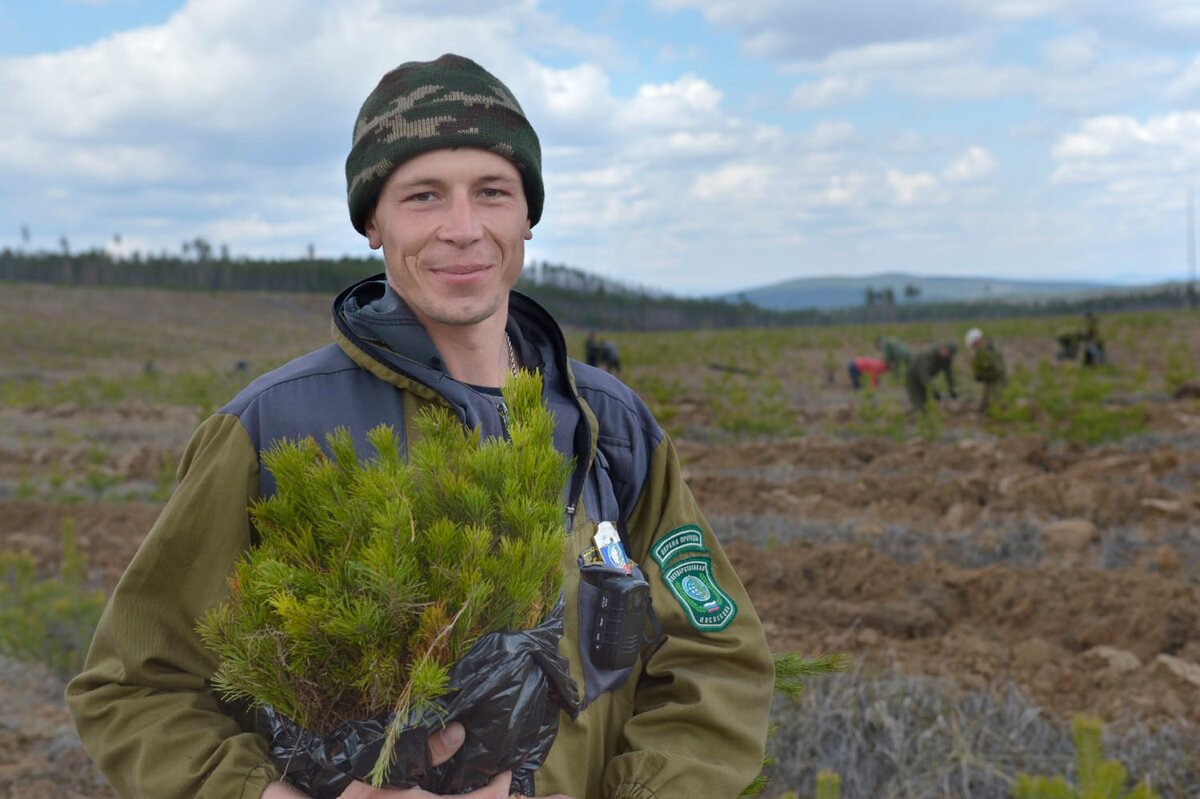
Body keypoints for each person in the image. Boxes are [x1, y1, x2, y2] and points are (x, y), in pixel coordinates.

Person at [65, 54, 773, 799]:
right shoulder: (274, 429)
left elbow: (714, 657)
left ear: (527, 213)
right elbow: (134, 685)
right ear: (373, 220)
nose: (462, 230)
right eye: (424, 195)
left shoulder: (610, 429)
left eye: (492, 192)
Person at [905, 342, 957, 411]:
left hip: (925, 376)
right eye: (945, 351)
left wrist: (952, 389)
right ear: (942, 348)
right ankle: (920, 414)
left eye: (948, 354)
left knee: (927, 401)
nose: (945, 354)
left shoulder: (946, 358)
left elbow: (949, 374)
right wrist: (935, 392)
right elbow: (925, 377)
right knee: (918, 402)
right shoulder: (929, 355)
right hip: (914, 376)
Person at [964, 327, 1006, 414]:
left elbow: (998, 371)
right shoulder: (984, 351)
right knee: (985, 405)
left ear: (978, 341)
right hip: (992, 380)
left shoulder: (990, 351)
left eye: (974, 345)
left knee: (999, 402)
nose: (974, 348)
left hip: (997, 381)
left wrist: (982, 375)